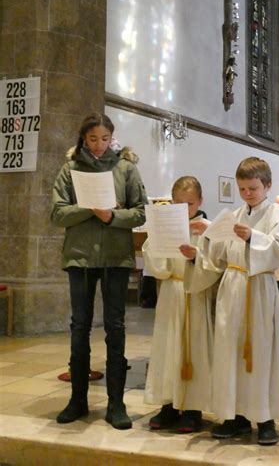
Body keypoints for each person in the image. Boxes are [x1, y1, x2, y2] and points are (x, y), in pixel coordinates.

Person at [51, 113, 147, 429]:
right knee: (79, 326)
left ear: (112, 137)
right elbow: (57, 213)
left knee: (115, 326)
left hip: (115, 258)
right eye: (93, 139)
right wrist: (89, 209)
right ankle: (78, 399)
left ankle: (115, 404)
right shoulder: (70, 169)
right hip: (79, 258)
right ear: (83, 138)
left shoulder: (125, 168)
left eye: (105, 138)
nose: (99, 145)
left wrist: (111, 217)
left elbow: (140, 213)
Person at [196, 157, 279, 445]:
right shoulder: (234, 214)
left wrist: (254, 237)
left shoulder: (277, 213)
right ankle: (234, 416)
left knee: (261, 353)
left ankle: (264, 418)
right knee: (229, 351)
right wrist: (210, 238)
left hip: (259, 286)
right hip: (232, 286)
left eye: (252, 188)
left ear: (267, 185)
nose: (247, 194)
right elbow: (218, 257)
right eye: (242, 189)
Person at [143, 177, 219, 433]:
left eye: (190, 204)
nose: (184, 209)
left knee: (194, 348)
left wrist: (197, 257)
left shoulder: (208, 229)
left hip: (194, 293)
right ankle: (169, 404)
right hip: (171, 291)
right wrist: (157, 243)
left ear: (200, 202)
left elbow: (216, 263)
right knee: (168, 347)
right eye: (178, 203)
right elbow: (153, 259)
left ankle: (194, 407)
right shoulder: (166, 224)